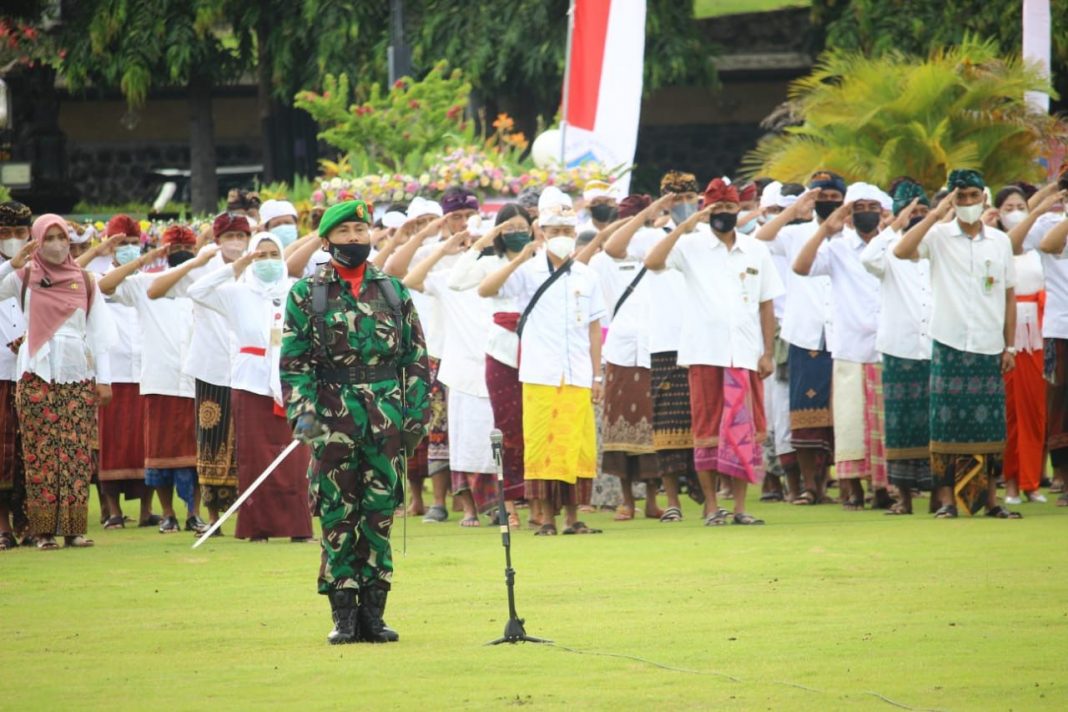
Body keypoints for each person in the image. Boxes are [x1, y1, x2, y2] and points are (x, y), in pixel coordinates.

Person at [280, 200, 430, 644]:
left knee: (379, 516)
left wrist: (416, 418)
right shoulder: (307, 295)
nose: (353, 240)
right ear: (326, 242)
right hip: (331, 420)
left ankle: (375, 614)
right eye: (343, 233)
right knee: (337, 515)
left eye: (360, 231)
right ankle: (343, 614)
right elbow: (294, 365)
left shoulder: (393, 291)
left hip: (386, 420)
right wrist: (305, 423)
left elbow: (416, 361)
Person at [645, 178, 782, 525]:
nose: (723, 213)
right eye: (716, 208)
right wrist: (687, 225)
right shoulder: (690, 245)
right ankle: (711, 506)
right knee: (707, 433)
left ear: (739, 209)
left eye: (728, 208)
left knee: (743, 433)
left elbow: (767, 305)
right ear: (707, 209)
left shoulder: (756, 249)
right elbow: (652, 262)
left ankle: (739, 508)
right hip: (706, 354)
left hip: (745, 355)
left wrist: (767, 352)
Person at [893, 169, 1020, 518]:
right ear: (952, 199)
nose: (966, 203)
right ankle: (948, 502)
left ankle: (990, 501)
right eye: (960, 197)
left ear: (984, 198)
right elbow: (902, 251)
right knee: (946, 427)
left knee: (990, 428)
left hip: (988, 344)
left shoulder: (1000, 241)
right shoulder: (938, 236)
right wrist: (936, 213)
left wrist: (1009, 347)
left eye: (972, 197)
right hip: (949, 343)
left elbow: (1009, 297)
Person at [479, 189, 606, 536]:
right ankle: (545, 518)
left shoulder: (586, 275)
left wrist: (598, 376)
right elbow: (485, 290)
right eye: (554, 231)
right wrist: (519, 259)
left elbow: (594, 330)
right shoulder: (527, 272)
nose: (561, 238)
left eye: (567, 231)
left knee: (575, 446)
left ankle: (572, 518)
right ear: (541, 232)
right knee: (542, 445)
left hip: (578, 373)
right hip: (540, 373)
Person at [0, 214, 116, 549]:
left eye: (61, 237)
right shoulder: (24, 276)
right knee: (41, 454)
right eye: (48, 238)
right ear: (36, 240)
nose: (55, 244)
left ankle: (74, 529)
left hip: (76, 375)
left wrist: (104, 380)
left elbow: (99, 334)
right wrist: (11, 266)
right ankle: (43, 531)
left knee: (76, 453)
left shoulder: (85, 280)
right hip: (36, 374)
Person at [189, 232, 314, 542]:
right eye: (261, 254)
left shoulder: (297, 291)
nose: (268, 261)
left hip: (290, 380)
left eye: (274, 254)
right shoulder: (236, 293)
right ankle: (257, 528)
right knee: (255, 458)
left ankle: (298, 528)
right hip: (249, 382)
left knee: (295, 459)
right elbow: (197, 289)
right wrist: (237, 265)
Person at [603, 171, 704, 521]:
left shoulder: (708, 236)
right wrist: (653, 213)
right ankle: (667, 501)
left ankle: (708, 500)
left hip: (702, 343)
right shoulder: (651, 236)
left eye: (689, 197)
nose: (683, 204)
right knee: (664, 427)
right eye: (675, 198)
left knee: (701, 424)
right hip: (660, 343)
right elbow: (613, 248)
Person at [149, 213, 252, 533]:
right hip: (212, 365)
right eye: (229, 236)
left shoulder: (258, 269)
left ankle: (251, 514)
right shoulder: (203, 268)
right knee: (211, 443)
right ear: (217, 240)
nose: (236, 242)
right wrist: (194, 262)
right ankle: (213, 516)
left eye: (241, 236)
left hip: (249, 368)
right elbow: (155, 290)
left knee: (250, 442)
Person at [792, 182, 892, 511]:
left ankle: (884, 487)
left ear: (882, 212)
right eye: (858, 206)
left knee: (884, 423)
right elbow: (800, 267)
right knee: (850, 422)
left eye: (872, 206)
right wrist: (825, 229)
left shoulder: (893, 244)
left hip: (888, 345)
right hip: (849, 347)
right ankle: (852, 489)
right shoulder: (837, 246)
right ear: (848, 213)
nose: (866, 212)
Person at [99, 225, 202, 533]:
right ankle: (168, 513)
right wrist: (143, 261)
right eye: (174, 249)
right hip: (160, 379)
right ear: (164, 252)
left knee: (197, 456)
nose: (182, 255)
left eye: (188, 249)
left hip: (197, 379)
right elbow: (105, 285)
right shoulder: (144, 283)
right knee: (159, 456)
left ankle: (193, 513)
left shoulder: (203, 284)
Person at [402, 215, 497, 526]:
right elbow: (411, 280)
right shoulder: (449, 277)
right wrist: (444, 250)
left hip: (497, 369)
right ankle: (468, 509)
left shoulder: (501, 273)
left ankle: (499, 507)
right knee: (462, 442)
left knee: (496, 442)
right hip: (460, 373)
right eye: (473, 243)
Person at [755, 171, 843, 506]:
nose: (827, 204)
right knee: (803, 414)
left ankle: (827, 485)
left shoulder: (850, 236)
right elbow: (761, 237)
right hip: (804, 334)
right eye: (821, 197)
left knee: (837, 416)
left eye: (834, 198)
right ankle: (807, 486)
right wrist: (794, 211)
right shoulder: (796, 233)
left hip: (842, 336)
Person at [446, 204, 535, 528]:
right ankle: (509, 504)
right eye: (507, 228)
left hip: (539, 350)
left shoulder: (540, 263)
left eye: (521, 226)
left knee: (537, 427)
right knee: (507, 429)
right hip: (501, 351)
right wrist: (484, 241)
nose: (515, 233)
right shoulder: (491, 262)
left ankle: (539, 503)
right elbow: (456, 281)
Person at [860, 179, 936, 514]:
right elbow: (867, 258)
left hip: (935, 347)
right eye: (910, 211)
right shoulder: (888, 249)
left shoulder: (939, 247)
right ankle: (903, 499)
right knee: (901, 426)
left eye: (921, 211)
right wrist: (896, 224)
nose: (916, 216)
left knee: (935, 425)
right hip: (899, 349)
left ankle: (939, 497)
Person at [593, 194, 662, 520]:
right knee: (619, 429)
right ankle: (626, 501)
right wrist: (632, 220)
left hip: (654, 349)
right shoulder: (604, 259)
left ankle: (651, 498)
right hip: (620, 351)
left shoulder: (659, 247)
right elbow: (611, 247)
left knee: (653, 428)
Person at [94, 215, 157, 529]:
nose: (130, 249)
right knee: (111, 442)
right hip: (113, 372)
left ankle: (147, 510)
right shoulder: (99, 279)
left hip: (143, 372)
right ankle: (112, 510)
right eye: (123, 244)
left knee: (143, 444)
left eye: (135, 244)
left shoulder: (150, 280)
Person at [0, 201, 31, 549]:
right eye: (5, 233)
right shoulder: (10, 267)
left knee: (28, 451)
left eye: (20, 233)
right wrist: (11, 264)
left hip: (30, 373)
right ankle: (3, 527)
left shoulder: (40, 267)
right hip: (0, 372)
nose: (13, 239)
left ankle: (30, 524)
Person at [1036, 179, 1068, 506]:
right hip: (1061, 326)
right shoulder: (1050, 222)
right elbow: (1047, 246)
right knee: (1059, 404)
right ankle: (1063, 474)